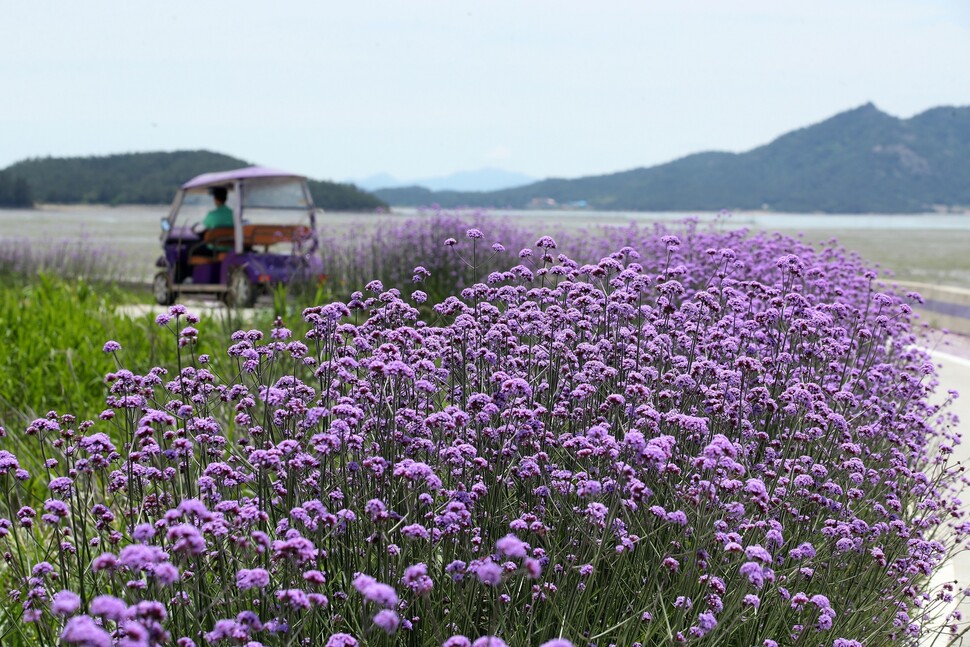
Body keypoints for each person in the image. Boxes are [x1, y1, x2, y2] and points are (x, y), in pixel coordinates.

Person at [192, 186, 234, 255]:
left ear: (215, 199)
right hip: (230, 248)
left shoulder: (211, 215)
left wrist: (193, 228)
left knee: (190, 248)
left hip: (214, 249)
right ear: (226, 199)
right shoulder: (234, 214)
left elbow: (199, 229)